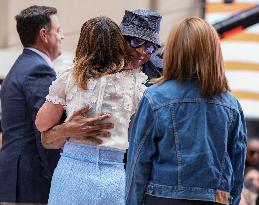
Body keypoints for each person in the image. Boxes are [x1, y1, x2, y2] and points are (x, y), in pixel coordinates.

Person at [35, 15, 156, 204]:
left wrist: (66, 127)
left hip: (73, 172)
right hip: (113, 176)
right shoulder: (135, 84)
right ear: (119, 44)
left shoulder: (70, 77)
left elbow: (42, 124)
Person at [126, 16, 247, 205]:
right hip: (214, 198)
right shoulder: (231, 106)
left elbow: (138, 163)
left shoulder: (154, 97)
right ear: (213, 51)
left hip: (163, 197)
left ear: (174, 50)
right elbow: (237, 168)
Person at [0, 5, 111, 205]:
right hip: (31, 181)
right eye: (58, 31)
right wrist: (58, 179)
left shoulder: (19, 66)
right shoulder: (38, 70)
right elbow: (43, 131)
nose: (61, 37)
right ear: (44, 34)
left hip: (14, 178)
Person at [40, 9, 163, 149]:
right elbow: (46, 138)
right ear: (119, 40)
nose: (141, 51)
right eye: (136, 41)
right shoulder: (84, 74)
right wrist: (66, 130)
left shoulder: (157, 78)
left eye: (149, 47)